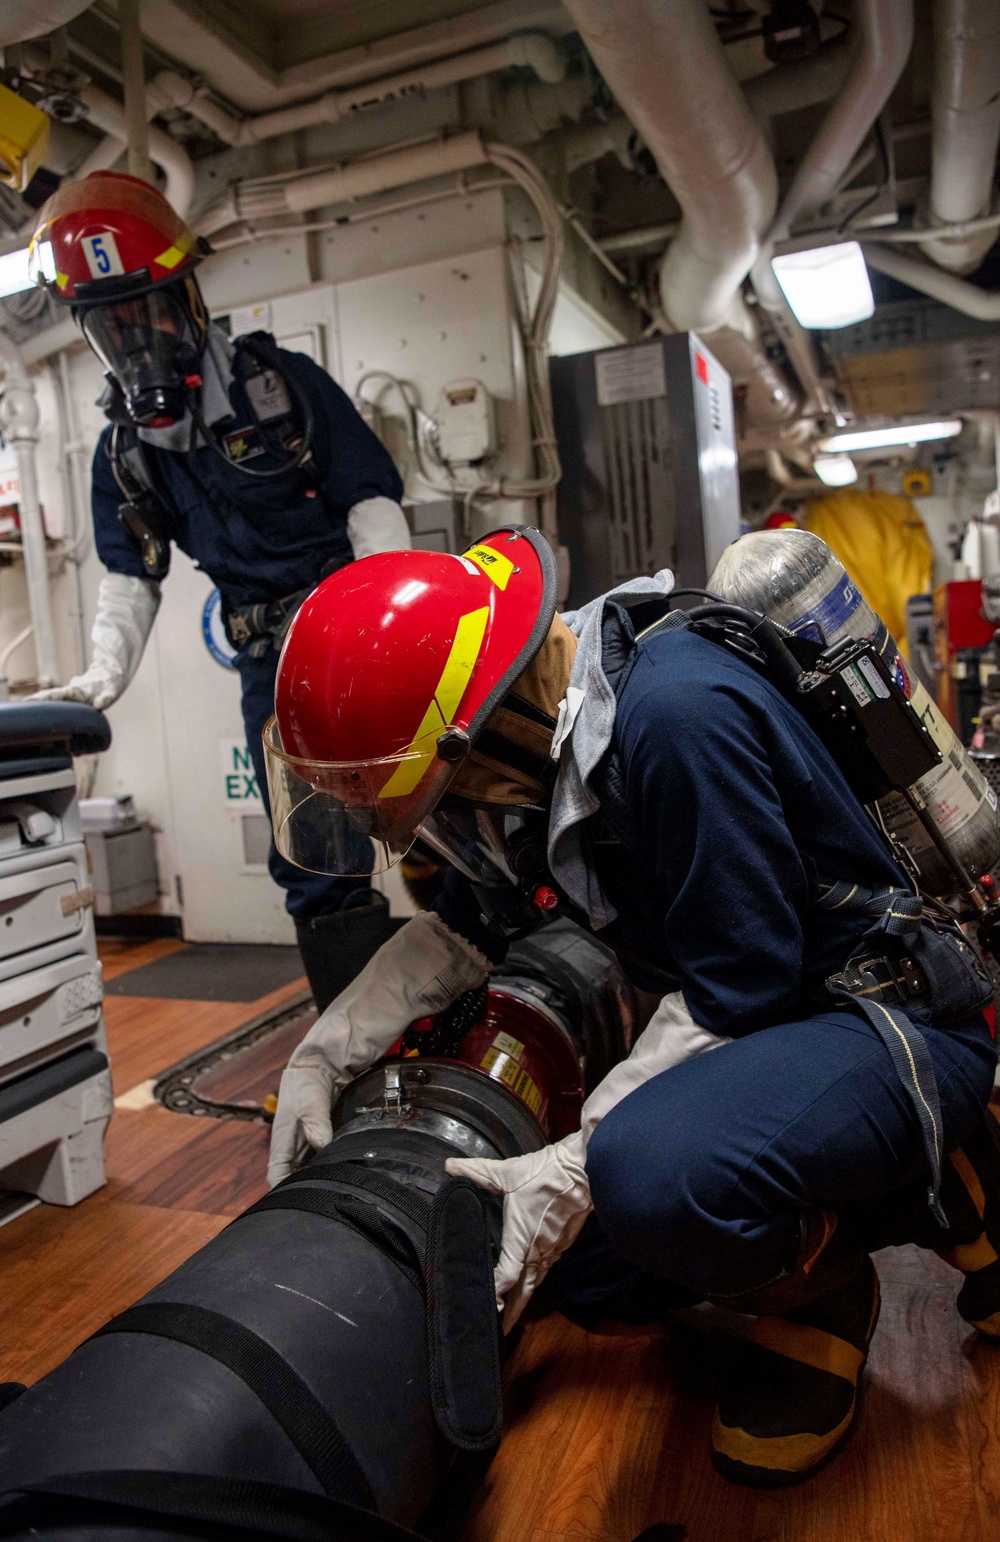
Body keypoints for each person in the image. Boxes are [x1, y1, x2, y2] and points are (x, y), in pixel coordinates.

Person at [262, 524, 1000, 1487]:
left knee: (648, 1178)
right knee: (592, 1278)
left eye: (441, 789)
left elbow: (743, 984)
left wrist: (574, 1171)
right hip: (781, 1024)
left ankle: (846, 1269)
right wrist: (327, 1050)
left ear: (477, 732)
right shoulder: (549, 725)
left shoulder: (672, 717)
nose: (446, 814)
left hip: (887, 1015)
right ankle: (870, 1189)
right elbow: (476, 920)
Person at [27, 171, 410, 1003]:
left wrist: (384, 633)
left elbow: (372, 504)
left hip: (355, 639)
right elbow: (130, 577)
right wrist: (101, 679)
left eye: (150, 314)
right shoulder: (125, 455)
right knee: (313, 855)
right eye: (111, 327)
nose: (138, 344)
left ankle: (496, 992)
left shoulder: (283, 390)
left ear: (189, 302)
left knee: (433, 810)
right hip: (269, 672)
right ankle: (363, 1046)